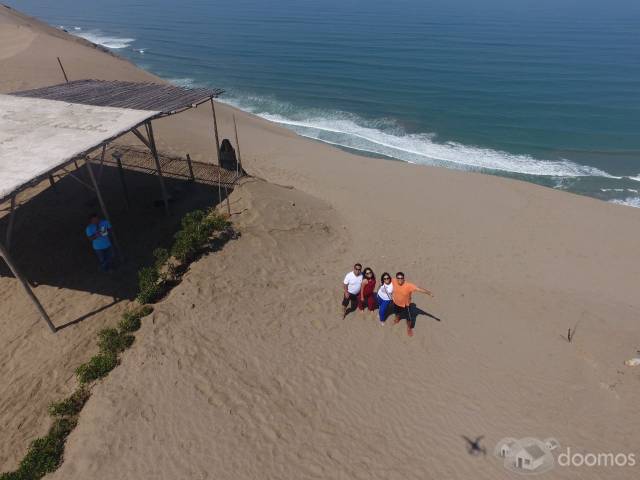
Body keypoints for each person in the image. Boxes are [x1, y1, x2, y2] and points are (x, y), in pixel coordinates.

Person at [392, 271, 433, 336]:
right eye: (398, 278)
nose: (400, 279)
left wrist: (429, 293)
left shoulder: (409, 285)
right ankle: (397, 318)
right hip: (396, 303)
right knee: (396, 313)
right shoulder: (393, 281)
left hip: (406, 305)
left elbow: (419, 289)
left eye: (401, 278)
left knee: (408, 319)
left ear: (404, 279)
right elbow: (385, 281)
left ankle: (409, 328)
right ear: (396, 278)